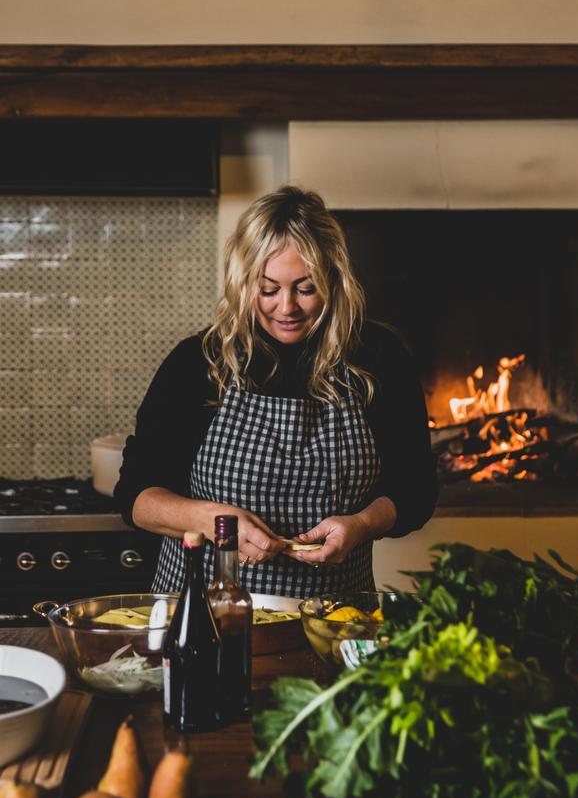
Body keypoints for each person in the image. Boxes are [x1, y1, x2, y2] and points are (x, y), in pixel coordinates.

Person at [114, 186, 437, 598]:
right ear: (243, 281)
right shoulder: (200, 363)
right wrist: (215, 520)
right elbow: (136, 496)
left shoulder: (378, 359)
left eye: (306, 288)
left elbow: (415, 488)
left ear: (334, 281)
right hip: (204, 615)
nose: (287, 308)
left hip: (331, 619)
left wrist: (362, 525)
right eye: (268, 289)